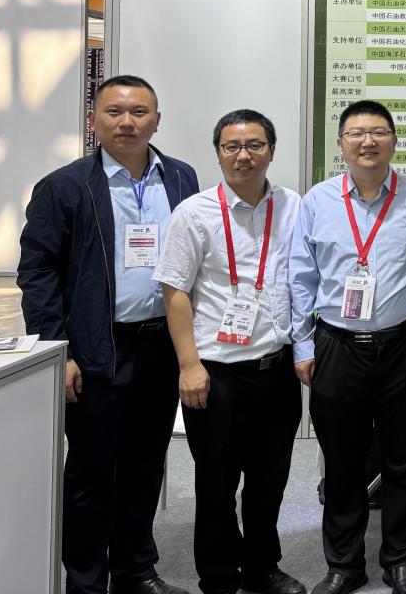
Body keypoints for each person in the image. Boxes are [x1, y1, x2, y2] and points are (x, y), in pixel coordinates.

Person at [18, 74, 199, 594]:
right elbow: (38, 274)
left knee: (145, 464)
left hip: (161, 346)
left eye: (139, 112)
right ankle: (85, 582)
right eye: (115, 112)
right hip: (97, 347)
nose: (127, 122)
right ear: (93, 120)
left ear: (156, 121)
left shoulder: (181, 178)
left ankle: (136, 571)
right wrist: (59, 352)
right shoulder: (64, 186)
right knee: (91, 472)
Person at [289, 99, 406, 594]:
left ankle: (400, 559)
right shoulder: (317, 201)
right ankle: (344, 564)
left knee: (403, 458)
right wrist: (302, 344)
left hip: (405, 344)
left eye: (378, 132)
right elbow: (300, 277)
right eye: (357, 133)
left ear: (393, 141)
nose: (368, 141)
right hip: (337, 345)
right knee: (342, 461)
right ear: (341, 144)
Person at [155, 110, 304, 594]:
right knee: (216, 484)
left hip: (277, 369)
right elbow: (174, 292)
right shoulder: (194, 213)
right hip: (215, 374)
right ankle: (218, 576)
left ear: (271, 151)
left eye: (255, 145)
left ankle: (262, 568)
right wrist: (189, 365)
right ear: (218, 153)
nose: (244, 156)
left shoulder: (294, 206)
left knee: (269, 480)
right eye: (232, 146)